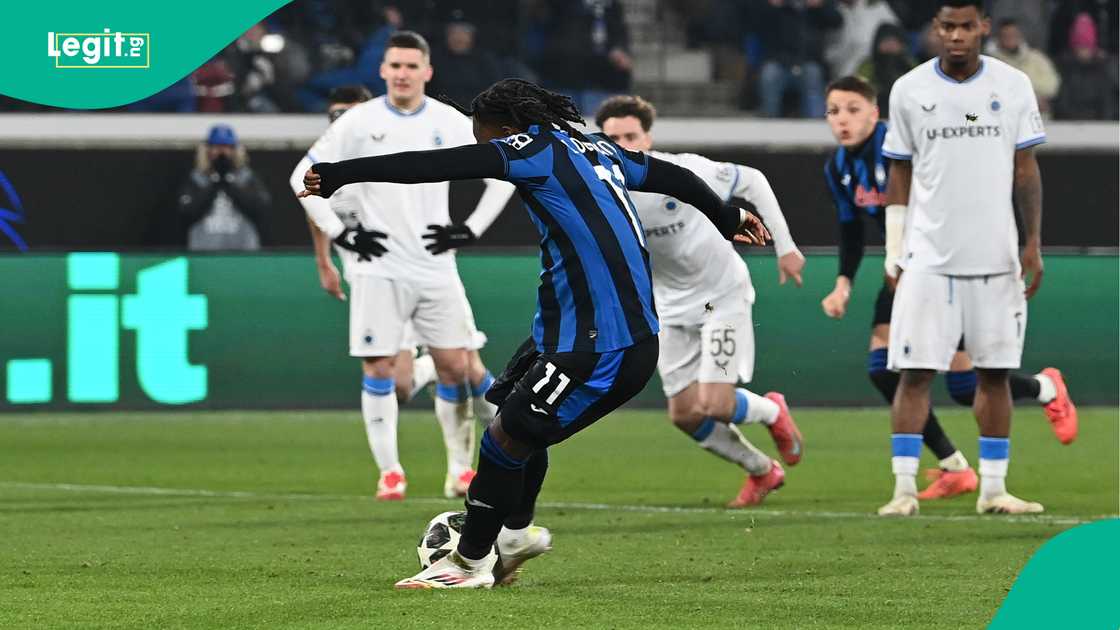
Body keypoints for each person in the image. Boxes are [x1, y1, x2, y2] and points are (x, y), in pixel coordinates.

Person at [299, 78, 772, 588]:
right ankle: (515, 534)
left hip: (600, 345)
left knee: (505, 441)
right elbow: (673, 176)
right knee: (511, 419)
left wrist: (337, 174)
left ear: (505, 129)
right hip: (579, 333)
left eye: (485, 136)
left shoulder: (530, 150)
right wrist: (725, 215)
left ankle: (469, 561)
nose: (484, 146)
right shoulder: (599, 148)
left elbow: (432, 166)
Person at [821, 74, 1078, 506]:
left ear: (875, 112)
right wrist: (842, 283)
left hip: (944, 263)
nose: (842, 120)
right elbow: (850, 231)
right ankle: (954, 466)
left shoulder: (905, 140)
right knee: (884, 370)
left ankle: (1046, 389)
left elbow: (971, 133)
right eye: (833, 111)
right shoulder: (838, 168)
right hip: (903, 269)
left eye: (852, 109)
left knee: (963, 387)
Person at [290, 33, 516, 502]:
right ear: (383, 70)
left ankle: (459, 471)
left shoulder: (448, 120)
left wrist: (471, 228)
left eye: (412, 65)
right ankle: (390, 472)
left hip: (434, 264)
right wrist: (340, 232)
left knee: (457, 366)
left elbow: (508, 166)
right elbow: (301, 176)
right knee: (381, 368)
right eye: (395, 65)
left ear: (427, 72)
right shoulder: (359, 121)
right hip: (378, 267)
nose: (402, 73)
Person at [878, 0, 1057, 516]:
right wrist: (894, 250)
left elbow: (1026, 169)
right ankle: (904, 490)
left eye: (966, 26)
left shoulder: (1013, 85)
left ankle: (994, 489)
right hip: (928, 258)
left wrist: (1032, 242)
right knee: (915, 373)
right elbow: (899, 174)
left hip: (996, 258)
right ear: (935, 30)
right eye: (947, 26)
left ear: (982, 28)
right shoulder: (910, 89)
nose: (956, 35)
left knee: (995, 373)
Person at [595, 95, 805, 508]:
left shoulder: (686, 169)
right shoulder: (601, 189)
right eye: (613, 137)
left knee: (715, 404)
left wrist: (786, 246)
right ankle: (762, 470)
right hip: (669, 308)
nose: (623, 144)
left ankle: (772, 411)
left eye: (631, 136)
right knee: (686, 415)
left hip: (720, 296)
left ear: (648, 138)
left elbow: (753, 180)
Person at [176, 124, 271, 250]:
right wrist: (215, 182)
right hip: (204, 253)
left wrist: (229, 182)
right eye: (217, 147)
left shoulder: (247, 178)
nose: (222, 152)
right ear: (207, 149)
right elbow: (187, 212)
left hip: (243, 253)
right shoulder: (196, 179)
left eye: (227, 147)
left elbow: (260, 209)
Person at [748, 0, 842, 118]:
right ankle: (769, 123)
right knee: (769, 75)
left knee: (813, 75)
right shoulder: (772, 6)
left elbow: (837, 21)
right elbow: (753, 25)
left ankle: (816, 125)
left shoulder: (816, 6)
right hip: (778, 61)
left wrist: (820, 6)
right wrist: (771, 6)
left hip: (809, 61)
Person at [986, 18, 1061, 115]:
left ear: (1020, 36)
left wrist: (1032, 95)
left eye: (1013, 35)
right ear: (999, 38)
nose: (1010, 39)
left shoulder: (1037, 58)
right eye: (1006, 36)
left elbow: (1053, 85)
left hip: (1037, 118)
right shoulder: (990, 63)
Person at [1053, 13, 1119, 121]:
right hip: (1069, 126)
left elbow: (1107, 103)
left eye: (1086, 46)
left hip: (1100, 126)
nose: (1083, 51)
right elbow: (1062, 103)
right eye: (1080, 46)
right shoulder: (1064, 69)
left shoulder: (1103, 70)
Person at [856, 22, 916, 117]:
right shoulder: (868, 65)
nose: (890, 45)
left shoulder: (910, 64)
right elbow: (860, 89)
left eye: (894, 41)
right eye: (886, 41)